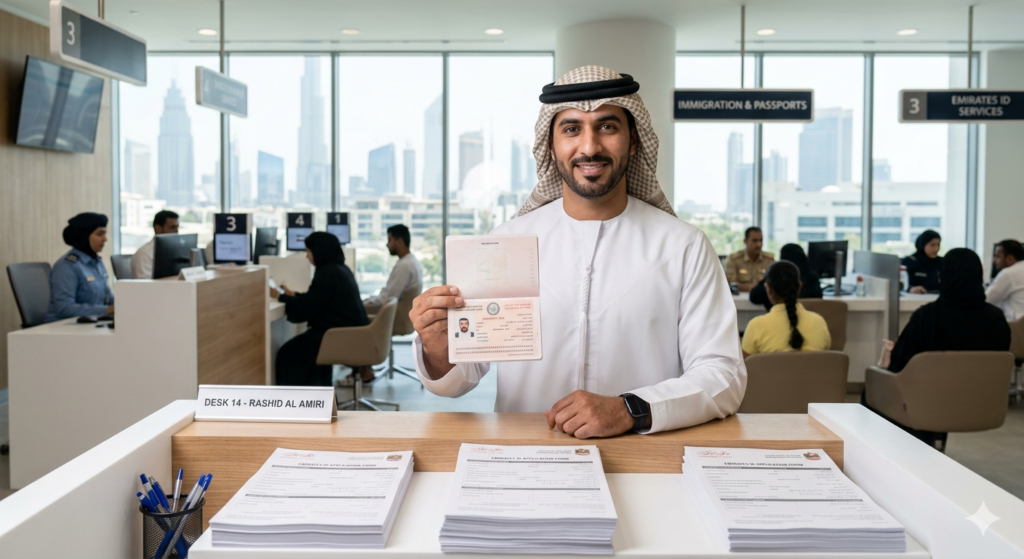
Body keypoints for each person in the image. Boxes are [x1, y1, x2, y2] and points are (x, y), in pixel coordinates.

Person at [409, 66, 745, 439]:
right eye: (571, 129)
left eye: (607, 126)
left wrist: (630, 408)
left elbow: (722, 375)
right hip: (526, 459)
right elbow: (460, 379)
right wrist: (438, 346)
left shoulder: (683, 245)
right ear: (550, 146)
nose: (589, 147)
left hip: (645, 461)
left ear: (633, 141)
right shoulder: (506, 243)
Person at [874, 248, 1010, 447]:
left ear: (942, 276)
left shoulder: (928, 317)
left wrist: (889, 356)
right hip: (981, 406)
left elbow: (899, 365)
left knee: (876, 385)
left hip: (928, 405)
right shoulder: (997, 319)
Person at [271, 232, 370, 386]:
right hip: (349, 334)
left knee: (289, 353)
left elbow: (307, 308)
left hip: (337, 336)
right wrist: (293, 295)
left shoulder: (327, 273)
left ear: (319, 251)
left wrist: (280, 296)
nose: (306, 256)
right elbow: (317, 300)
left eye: (308, 251)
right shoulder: (339, 269)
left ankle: (296, 403)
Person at [742, 261, 831, 357]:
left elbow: (745, 367)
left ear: (768, 289)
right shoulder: (819, 323)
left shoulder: (756, 326)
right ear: (799, 287)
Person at [45, 212, 115, 322]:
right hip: (62, 329)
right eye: (100, 234)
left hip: (90, 324)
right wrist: (108, 310)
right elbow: (65, 309)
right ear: (84, 236)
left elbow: (107, 298)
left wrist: (125, 305)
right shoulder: (67, 266)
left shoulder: (97, 262)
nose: (105, 239)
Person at [363, 224, 423, 311]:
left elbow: (388, 298)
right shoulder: (411, 261)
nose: (387, 244)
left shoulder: (404, 266)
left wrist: (365, 303)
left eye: (389, 240)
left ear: (399, 241)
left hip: (394, 318)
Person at [749, 243, 823, 311]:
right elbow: (819, 300)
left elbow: (754, 297)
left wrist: (770, 272)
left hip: (775, 321)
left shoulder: (776, 276)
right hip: (807, 321)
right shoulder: (812, 278)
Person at [130, 210, 181, 279]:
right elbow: (144, 284)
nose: (177, 231)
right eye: (172, 227)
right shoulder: (144, 253)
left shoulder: (176, 251)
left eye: (177, 227)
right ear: (158, 229)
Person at [725, 227, 774, 292]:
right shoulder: (734, 259)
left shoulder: (769, 260)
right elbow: (730, 282)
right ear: (745, 241)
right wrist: (753, 289)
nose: (759, 244)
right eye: (754, 240)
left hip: (762, 299)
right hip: (739, 299)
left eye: (761, 240)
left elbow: (773, 282)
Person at [986, 239, 1024, 322]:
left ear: (1010, 258)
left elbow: (986, 300)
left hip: (1017, 327)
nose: (994, 260)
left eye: (998, 256)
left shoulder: (1009, 273)